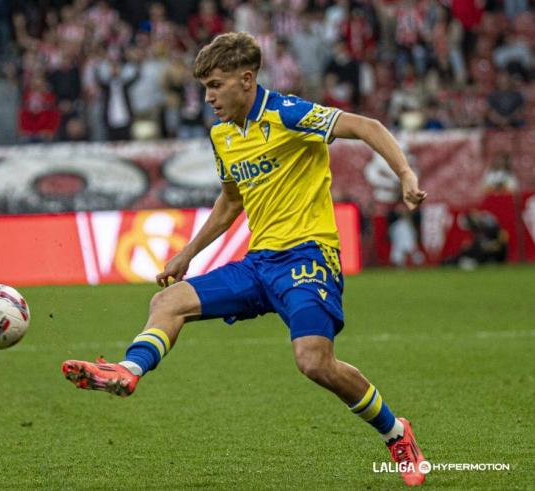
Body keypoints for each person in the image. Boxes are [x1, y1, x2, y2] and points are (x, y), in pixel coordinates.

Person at [62, 32, 428, 486]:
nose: (209, 97)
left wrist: (406, 175)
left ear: (247, 79)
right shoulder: (223, 135)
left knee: (314, 362)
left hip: (309, 257)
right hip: (259, 264)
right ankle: (128, 369)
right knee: (169, 301)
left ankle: (396, 432)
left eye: (216, 85)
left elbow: (368, 127)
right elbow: (231, 203)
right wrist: (187, 253)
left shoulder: (288, 113)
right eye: (205, 88)